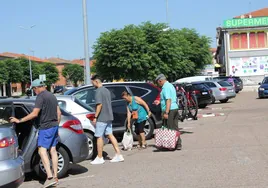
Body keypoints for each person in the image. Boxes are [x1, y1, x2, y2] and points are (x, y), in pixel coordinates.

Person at [10, 79, 61, 188]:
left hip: (45, 127)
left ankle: (50, 177)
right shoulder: (52, 96)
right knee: (53, 150)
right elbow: (59, 112)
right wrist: (57, 125)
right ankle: (56, 176)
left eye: (34, 89)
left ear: (37, 88)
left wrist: (19, 120)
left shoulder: (40, 97)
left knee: (42, 151)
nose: (34, 91)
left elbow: (34, 114)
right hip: (54, 126)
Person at [90, 75, 124, 165]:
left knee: (99, 136)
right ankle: (118, 154)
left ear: (96, 81)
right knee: (110, 134)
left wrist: (95, 117)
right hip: (109, 116)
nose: (92, 84)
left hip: (102, 117)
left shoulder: (98, 91)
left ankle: (100, 157)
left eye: (92, 82)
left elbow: (99, 105)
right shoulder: (107, 90)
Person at [155, 74, 182, 150]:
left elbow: (168, 100)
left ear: (160, 81)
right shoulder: (170, 85)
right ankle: (178, 144)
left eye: (158, 82)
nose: (158, 84)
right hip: (174, 108)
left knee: (170, 128)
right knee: (175, 127)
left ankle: (172, 145)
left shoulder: (165, 87)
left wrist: (166, 112)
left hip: (169, 110)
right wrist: (159, 102)